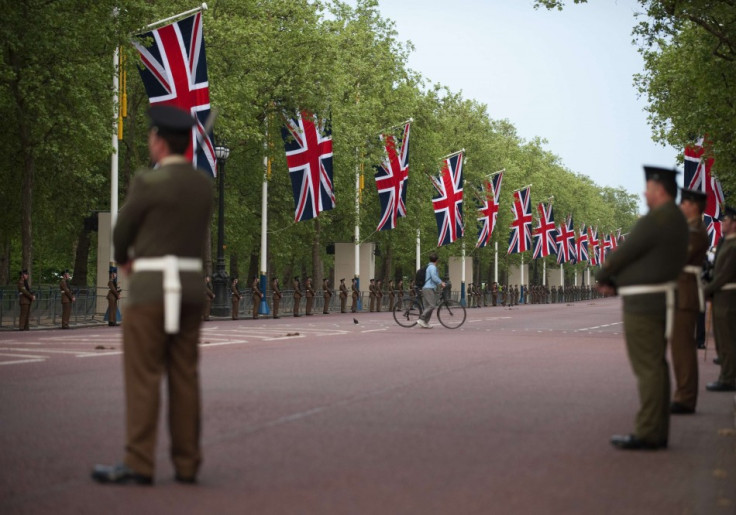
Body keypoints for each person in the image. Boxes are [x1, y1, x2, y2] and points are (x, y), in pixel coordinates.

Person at [92, 105, 213, 485]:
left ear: (159, 141)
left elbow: (122, 231)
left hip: (150, 290)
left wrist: (126, 260)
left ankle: (140, 461)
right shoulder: (202, 185)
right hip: (191, 289)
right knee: (184, 376)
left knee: (144, 376)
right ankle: (188, 462)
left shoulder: (148, 182)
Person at [596, 166, 687, 451]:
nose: (644, 193)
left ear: (659, 189)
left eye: (647, 188)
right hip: (656, 298)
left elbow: (626, 251)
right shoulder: (675, 218)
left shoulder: (658, 218)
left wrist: (605, 276)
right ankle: (656, 429)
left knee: (648, 367)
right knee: (656, 365)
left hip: (644, 302)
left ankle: (649, 431)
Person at [670, 188, 709, 413]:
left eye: (683, 203)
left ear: (693, 206)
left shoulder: (695, 230)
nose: (681, 206)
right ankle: (683, 394)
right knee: (679, 347)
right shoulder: (690, 228)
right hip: (681, 291)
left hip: (685, 293)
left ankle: (686, 397)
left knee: (683, 347)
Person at [703, 206, 736, 392]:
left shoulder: (733, 246)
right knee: (723, 339)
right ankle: (726, 374)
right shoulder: (726, 243)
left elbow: (724, 275)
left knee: (728, 340)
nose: (723, 223)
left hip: (728, 296)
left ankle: (728, 378)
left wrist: (707, 289)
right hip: (722, 295)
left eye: (726, 221)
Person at [417, 253, 446, 329]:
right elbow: (434, 277)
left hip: (425, 287)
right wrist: (441, 283)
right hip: (428, 288)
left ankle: (425, 322)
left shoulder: (428, 267)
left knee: (428, 306)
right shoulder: (432, 267)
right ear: (437, 260)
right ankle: (422, 318)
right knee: (432, 305)